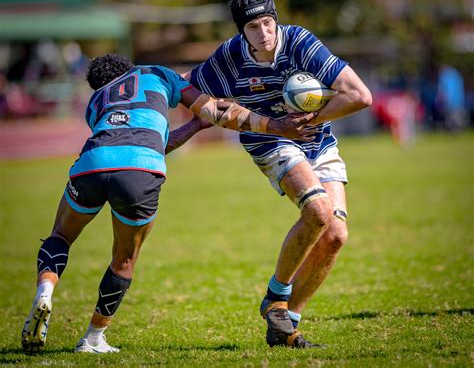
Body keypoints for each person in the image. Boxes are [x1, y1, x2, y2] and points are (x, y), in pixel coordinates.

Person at [21, 53, 317, 355]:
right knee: (124, 259)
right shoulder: (156, 73)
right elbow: (216, 111)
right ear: (128, 68)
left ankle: (45, 291)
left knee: (60, 235)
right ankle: (94, 337)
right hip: (141, 171)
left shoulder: (96, 102)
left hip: (92, 163)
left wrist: (195, 127)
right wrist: (276, 126)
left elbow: (126, 137)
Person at [187, 0, 372, 348]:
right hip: (269, 141)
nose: (264, 33)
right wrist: (188, 127)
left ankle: (285, 324)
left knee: (335, 235)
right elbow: (189, 91)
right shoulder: (229, 57)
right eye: (253, 27)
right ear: (242, 31)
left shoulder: (301, 43)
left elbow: (360, 95)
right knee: (317, 211)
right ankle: (276, 297)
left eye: (268, 22)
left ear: (277, 19)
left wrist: (312, 118)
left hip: (317, 141)